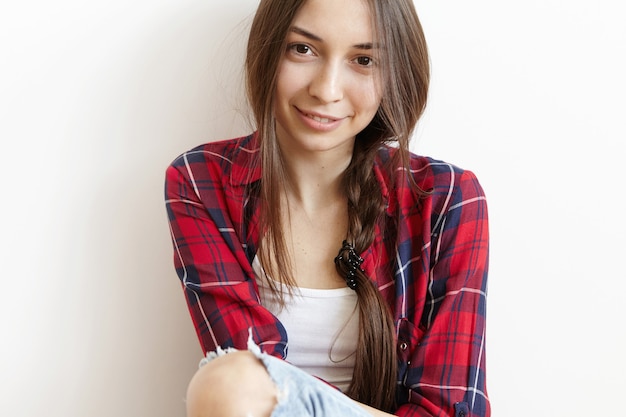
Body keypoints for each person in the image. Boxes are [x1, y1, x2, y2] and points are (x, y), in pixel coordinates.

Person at [165, 0, 490, 415]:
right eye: (303, 49)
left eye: (363, 59)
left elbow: (448, 405)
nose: (327, 89)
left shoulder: (446, 198)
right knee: (232, 382)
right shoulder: (201, 182)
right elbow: (252, 380)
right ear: (268, 51)